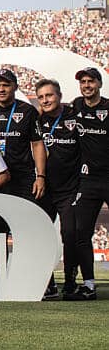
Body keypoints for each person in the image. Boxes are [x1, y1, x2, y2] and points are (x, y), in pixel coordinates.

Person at [34, 78, 80, 300]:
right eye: (41, 97)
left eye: (49, 95)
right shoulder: (36, 121)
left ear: (60, 95)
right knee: (41, 235)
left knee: (70, 235)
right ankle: (47, 283)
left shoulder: (74, 115)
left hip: (70, 188)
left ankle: (71, 282)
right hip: (44, 188)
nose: (45, 100)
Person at [0, 69, 46, 204]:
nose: (1, 89)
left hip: (23, 177)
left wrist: (40, 176)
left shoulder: (27, 111)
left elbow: (38, 144)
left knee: (23, 221)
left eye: (6, 85)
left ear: (15, 87)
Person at [71, 67, 109, 301]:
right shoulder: (76, 106)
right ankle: (88, 285)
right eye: (83, 82)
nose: (86, 85)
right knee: (81, 233)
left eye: (91, 81)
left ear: (99, 84)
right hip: (88, 181)